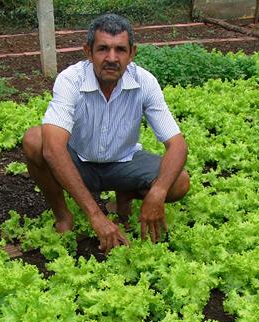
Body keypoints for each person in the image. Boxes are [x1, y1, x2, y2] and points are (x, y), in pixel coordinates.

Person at [22, 13, 189, 252]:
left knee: (179, 182)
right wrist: (95, 215)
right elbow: (52, 148)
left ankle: (125, 195)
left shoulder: (145, 82)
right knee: (34, 140)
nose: (111, 58)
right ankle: (63, 216)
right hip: (79, 161)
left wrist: (158, 192)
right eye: (103, 49)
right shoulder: (71, 80)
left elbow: (178, 144)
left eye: (120, 50)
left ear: (132, 53)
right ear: (88, 52)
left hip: (124, 162)